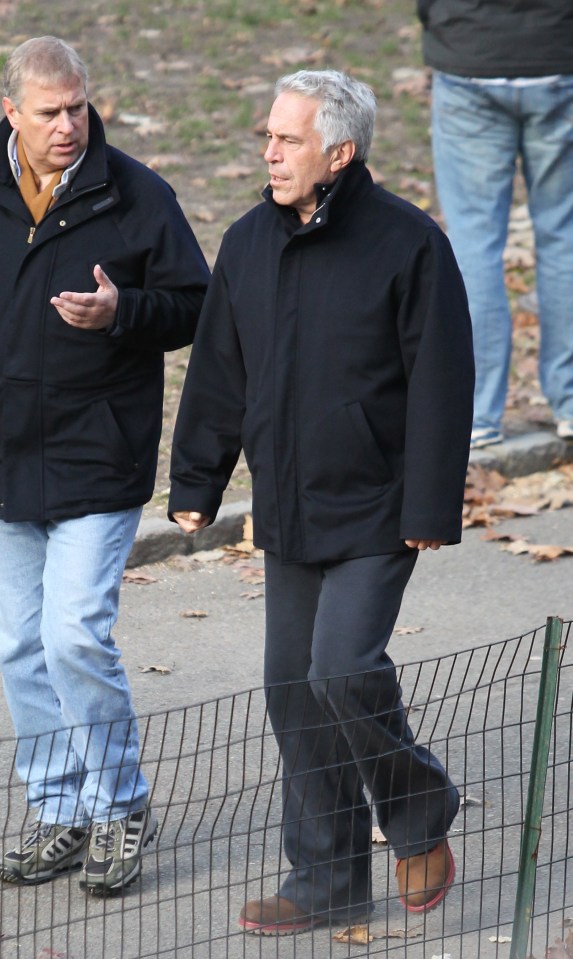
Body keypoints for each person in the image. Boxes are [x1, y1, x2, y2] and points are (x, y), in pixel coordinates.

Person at [168, 70, 474, 934]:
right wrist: (198, 479)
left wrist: (428, 505)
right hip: (290, 508)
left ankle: (418, 812)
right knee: (290, 690)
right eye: (267, 135)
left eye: (287, 138)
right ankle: (328, 877)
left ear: (338, 151)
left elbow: (441, 384)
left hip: (379, 506)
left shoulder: (409, 244)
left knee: (340, 669)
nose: (268, 151)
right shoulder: (246, 243)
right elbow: (219, 371)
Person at [0, 36, 209, 895]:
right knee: (19, 645)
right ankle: (58, 810)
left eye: (79, 106)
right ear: (11, 111)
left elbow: (195, 303)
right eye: (49, 112)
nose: (69, 125)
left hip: (98, 455)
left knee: (74, 633)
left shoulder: (136, 194)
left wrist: (125, 310)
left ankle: (118, 807)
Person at [419, 0, 573, 449]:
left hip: (470, 50)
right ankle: (569, 400)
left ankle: (478, 412)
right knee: (565, 234)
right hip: (559, 51)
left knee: (472, 243)